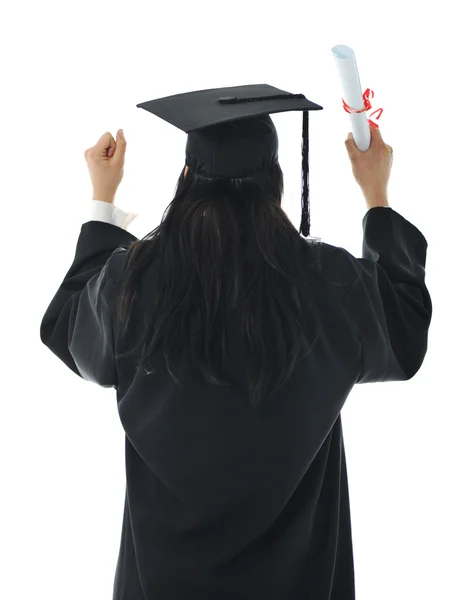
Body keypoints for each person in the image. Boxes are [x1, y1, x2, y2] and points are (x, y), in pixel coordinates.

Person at [39, 86, 432, 600]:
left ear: (185, 179)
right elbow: (403, 335)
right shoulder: (326, 282)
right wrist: (376, 195)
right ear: (277, 183)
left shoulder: (132, 283)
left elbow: (68, 328)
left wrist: (101, 200)